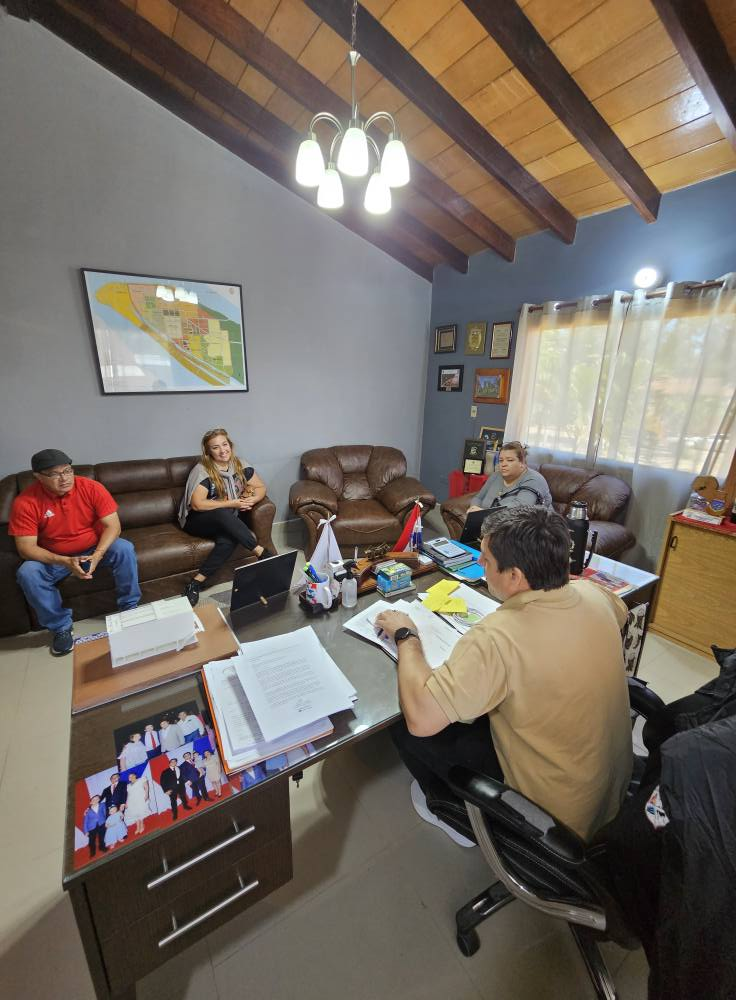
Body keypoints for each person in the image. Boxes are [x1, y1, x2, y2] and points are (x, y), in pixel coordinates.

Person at [375, 505, 632, 846]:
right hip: (606, 791)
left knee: (402, 717)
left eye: (485, 559)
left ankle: (453, 812)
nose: (480, 563)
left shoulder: (497, 637)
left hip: (555, 819)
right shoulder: (595, 595)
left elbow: (421, 719)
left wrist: (407, 636)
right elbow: (621, 614)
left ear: (514, 576)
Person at [9, 449, 141, 656]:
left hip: (93, 548)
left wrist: (98, 554)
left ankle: (129, 608)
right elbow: (26, 548)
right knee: (28, 573)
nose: (64, 478)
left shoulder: (91, 487)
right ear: (38, 477)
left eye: (67, 471)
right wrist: (64, 561)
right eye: (55, 474)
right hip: (55, 557)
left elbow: (113, 526)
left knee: (124, 548)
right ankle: (60, 627)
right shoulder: (25, 502)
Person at [178, 428, 274, 606]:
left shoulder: (240, 464)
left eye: (225, 444)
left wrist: (253, 499)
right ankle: (262, 553)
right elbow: (198, 504)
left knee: (229, 539)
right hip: (197, 520)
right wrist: (232, 503)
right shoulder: (202, 471)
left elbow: (260, 487)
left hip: (227, 519)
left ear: (230, 445)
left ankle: (195, 583)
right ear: (208, 452)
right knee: (222, 512)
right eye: (215, 447)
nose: (222, 450)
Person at [467, 441, 552, 514]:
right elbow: (478, 497)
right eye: (501, 460)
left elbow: (519, 509)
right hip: (490, 523)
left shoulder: (534, 479)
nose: (503, 464)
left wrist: (482, 514)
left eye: (510, 460)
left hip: (529, 526)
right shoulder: (495, 476)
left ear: (522, 463)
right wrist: (474, 509)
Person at [123, 771, 152, 835]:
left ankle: (142, 825)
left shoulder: (141, 779)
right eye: (129, 777)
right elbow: (128, 794)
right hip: (131, 801)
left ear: (135, 776)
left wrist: (147, 795)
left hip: (140, 798)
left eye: (132, 776)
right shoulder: (128, 786)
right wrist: (126, 802)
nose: (130, 778)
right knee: (134, 813)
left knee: (140, 812)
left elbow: (146, 787)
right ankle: (138, 827)